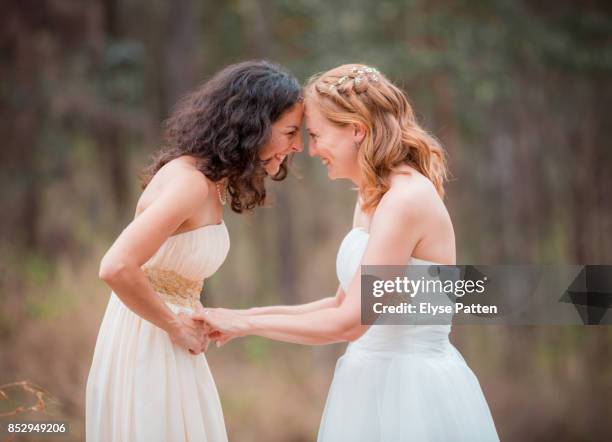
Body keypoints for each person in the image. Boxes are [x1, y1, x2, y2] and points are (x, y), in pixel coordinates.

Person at [196, 64, 500, 441]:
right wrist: (238, 317)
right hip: (368, 380)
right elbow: (338, 304)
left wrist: (245, 325)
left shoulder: (406, 200)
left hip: (412, 392)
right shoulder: (372, 198)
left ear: (356, 129)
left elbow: (350, 323)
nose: (311, 150)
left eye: (316, 135)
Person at [85, 60, 304, 442]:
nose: (297, 145)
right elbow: (116, 266)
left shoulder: (210, 183)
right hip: (150, 345)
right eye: (290, 132)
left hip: (170, 343)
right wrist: (174, 326)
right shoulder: (188, 183)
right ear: (254, 123)